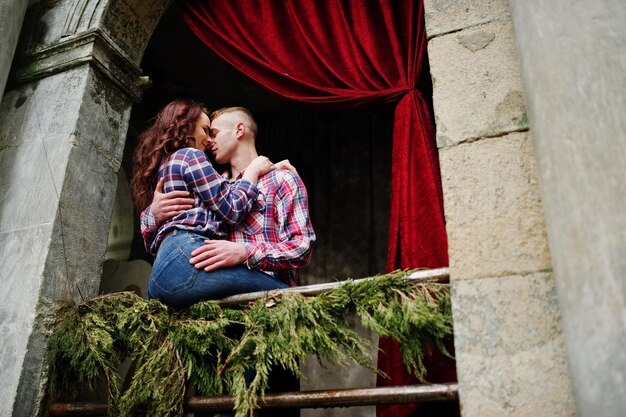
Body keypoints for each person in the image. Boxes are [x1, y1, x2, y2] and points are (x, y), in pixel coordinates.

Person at [132, 100, 292, 308]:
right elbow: (232, 209)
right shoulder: (191, 155)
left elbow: (149, 238)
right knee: (288, 297)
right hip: (188, 259)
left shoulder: (166, 165)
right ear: (185, 127)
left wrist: (269, 169)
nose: (208, 140)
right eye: (205, 130)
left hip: (162, 272)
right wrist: (253, 172)